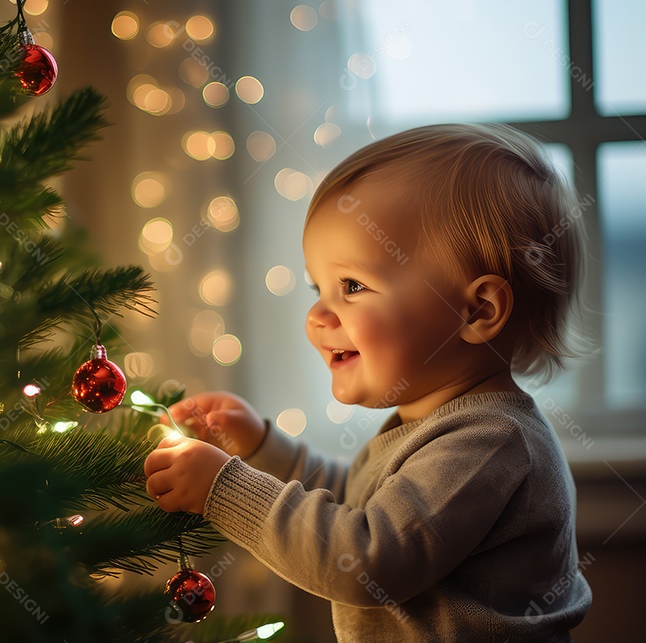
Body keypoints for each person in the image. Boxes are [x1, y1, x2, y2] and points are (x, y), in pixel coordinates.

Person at [144, 123, 592, 641]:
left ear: (477, 310)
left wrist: (226, 488)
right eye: (320, 287)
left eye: (352, 286)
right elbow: (360, 501)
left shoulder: (491, 443)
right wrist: (264, 449)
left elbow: (369, 558)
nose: (317, 314)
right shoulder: (439, 423)